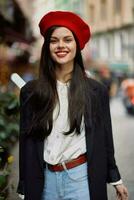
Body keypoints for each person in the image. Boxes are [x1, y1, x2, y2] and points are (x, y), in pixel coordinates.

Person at [17, 11, 128, 200]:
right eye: (54, 41)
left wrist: (115, 178)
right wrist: (23, 184)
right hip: (45, 181)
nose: (61, 45)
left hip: (81, 179)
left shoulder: (96, 91)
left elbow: (105, 137)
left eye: (67, 40)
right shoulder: (30, 92)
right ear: (47, 47)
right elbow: (26, 142)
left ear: (77, 45)